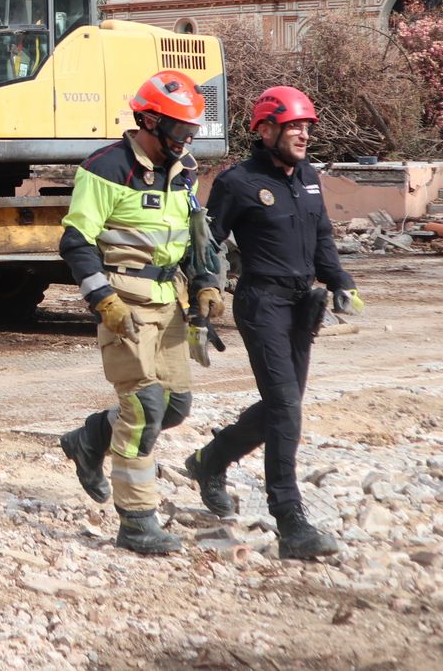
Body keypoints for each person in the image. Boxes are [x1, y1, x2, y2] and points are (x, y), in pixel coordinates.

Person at [183, 87, 360, 560]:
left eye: (307, 127)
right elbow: (207, 245)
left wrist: (341, 280)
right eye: (294, 126)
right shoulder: (237, 181)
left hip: (303, 304)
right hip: (261, 303)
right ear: (265, 131)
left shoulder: (307, 177)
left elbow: (321, 234)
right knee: (285, 408)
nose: (303, 134)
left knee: (283, 406)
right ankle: (290, 522)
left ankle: (208, 461)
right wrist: (201, 303)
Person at [57, 70, 224, 555]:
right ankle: (137, 520)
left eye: (191, 130)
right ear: (148, 121)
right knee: (143, 408)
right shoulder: (106, 169)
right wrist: (102, 300)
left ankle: (89, 440)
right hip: (123, 304)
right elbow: (76, 241)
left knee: (174, 407)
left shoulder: (183, 168)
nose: (187, 139)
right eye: (178, 130)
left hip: (167, 301)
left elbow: (195, 237)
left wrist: (207, 284)